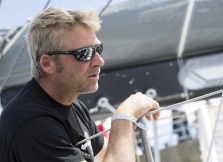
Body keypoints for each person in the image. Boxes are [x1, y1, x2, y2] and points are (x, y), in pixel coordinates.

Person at [0, 6, 160, 162]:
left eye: (98, 49)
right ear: (48, 63)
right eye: (84, 53)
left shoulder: (72, 106)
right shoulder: (31, 123)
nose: (99, 61)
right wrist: (124, 117)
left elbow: (106, 157)